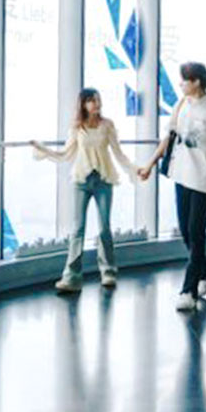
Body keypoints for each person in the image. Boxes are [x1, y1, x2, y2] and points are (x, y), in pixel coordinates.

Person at [140, 61, 206, 312]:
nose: (180, 84)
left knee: (196, 230)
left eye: (184, 80)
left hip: (203, 179)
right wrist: (149, 164)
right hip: (181, 175)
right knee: (185, 231)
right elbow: (168, 138)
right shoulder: (180, 106)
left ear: (197, 82)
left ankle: (188, 290)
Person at [29, 88, 138, 293]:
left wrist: (134, 169)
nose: (96, 104)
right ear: (83, 105)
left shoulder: (107, 125)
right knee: (77, 228)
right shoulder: (77, 128)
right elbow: (64, 154)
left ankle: (108, 272)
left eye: (97, 100)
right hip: (81, 180)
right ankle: (72, 277)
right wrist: (42, 149)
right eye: (91, 101)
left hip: (104, 179)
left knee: (104, 227)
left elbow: (118, 153)